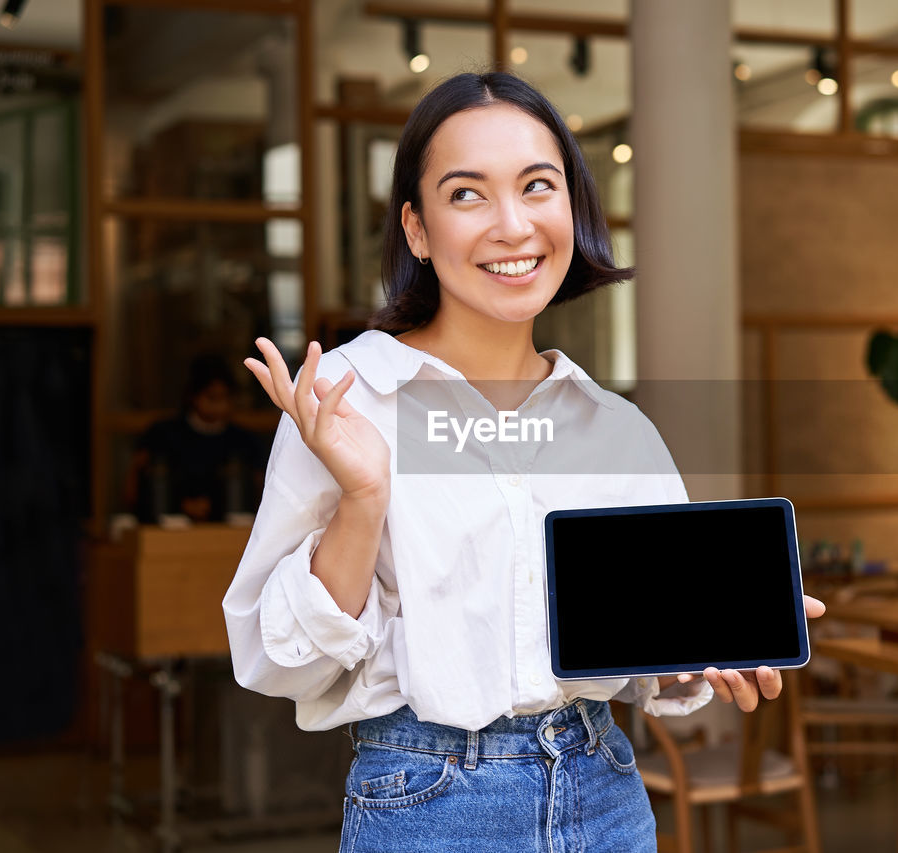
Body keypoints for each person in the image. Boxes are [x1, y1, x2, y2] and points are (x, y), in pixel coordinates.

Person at [223, 71, 825, 851]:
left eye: (538, 186)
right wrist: (364, 497)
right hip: (427, 802)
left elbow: (648, 659)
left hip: (604, 793)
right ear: (416, 228)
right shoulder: (344, 398)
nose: (513, 225)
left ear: (570, 207)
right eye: (468, 194)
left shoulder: (617, 429)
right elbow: (279, 662)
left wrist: (704, 656)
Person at [126, 354, 264, 523]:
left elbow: (259, 491)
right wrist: (182, 504)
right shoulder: (162, 434)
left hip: (228, 531)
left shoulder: (243, 441)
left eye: (225, 398)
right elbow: (135, 486)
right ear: (193, 396)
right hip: (165, 528)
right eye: (212, 397)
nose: (219, 405)